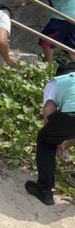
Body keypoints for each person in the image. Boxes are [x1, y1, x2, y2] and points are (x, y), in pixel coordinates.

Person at [25, 62, 75, 206]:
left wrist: (53, 138)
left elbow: (48, 113)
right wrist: (65, 142)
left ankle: (44, 190)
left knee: (45, 141)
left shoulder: (56, 82)